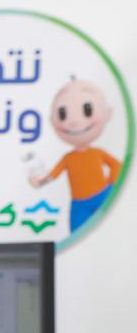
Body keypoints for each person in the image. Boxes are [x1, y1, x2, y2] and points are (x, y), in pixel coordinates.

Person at [30, 78, 123, 233]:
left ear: (106, 114)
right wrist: (39, 182)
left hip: (102, 196)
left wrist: (111, 185)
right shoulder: (68, 158)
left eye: (87, 110)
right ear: (53, 121)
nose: (73, 122)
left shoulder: (97, 153)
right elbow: (54, 174)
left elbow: (117, 165)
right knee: (77, 232)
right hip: (79, 203)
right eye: (62, 114)